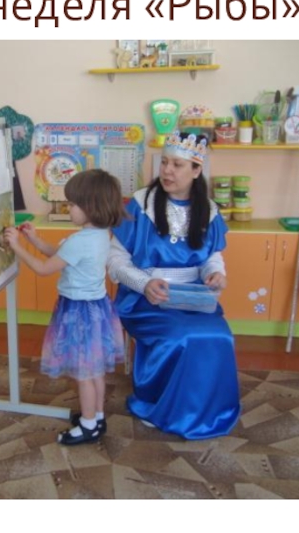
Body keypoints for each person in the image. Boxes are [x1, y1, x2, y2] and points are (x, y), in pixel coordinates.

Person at [107, 132, 241, 440]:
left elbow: (212, 257)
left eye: (177, 165)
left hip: (193, 296)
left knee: (220, 335)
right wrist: (144, 284)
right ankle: (159, 403)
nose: (167, 171)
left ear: (196, 170)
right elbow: (115, 261)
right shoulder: (140, 205)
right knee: (181, 336)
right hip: (145, 299)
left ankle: (207, 411)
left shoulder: (208, 209)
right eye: (164, 162)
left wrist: (215, 273)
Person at [3, 169, 127, 446]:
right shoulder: (100, 235)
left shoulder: (80, 241)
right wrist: (34, 240)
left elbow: (43, 268)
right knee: (95, 370)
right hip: (96, 310)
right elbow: (61, 256)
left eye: (72, 204)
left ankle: (87, 425)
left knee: (83, 373)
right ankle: (97, 416)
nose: (68, 209)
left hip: (78, 312)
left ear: (90, 207)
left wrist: (17, 247)